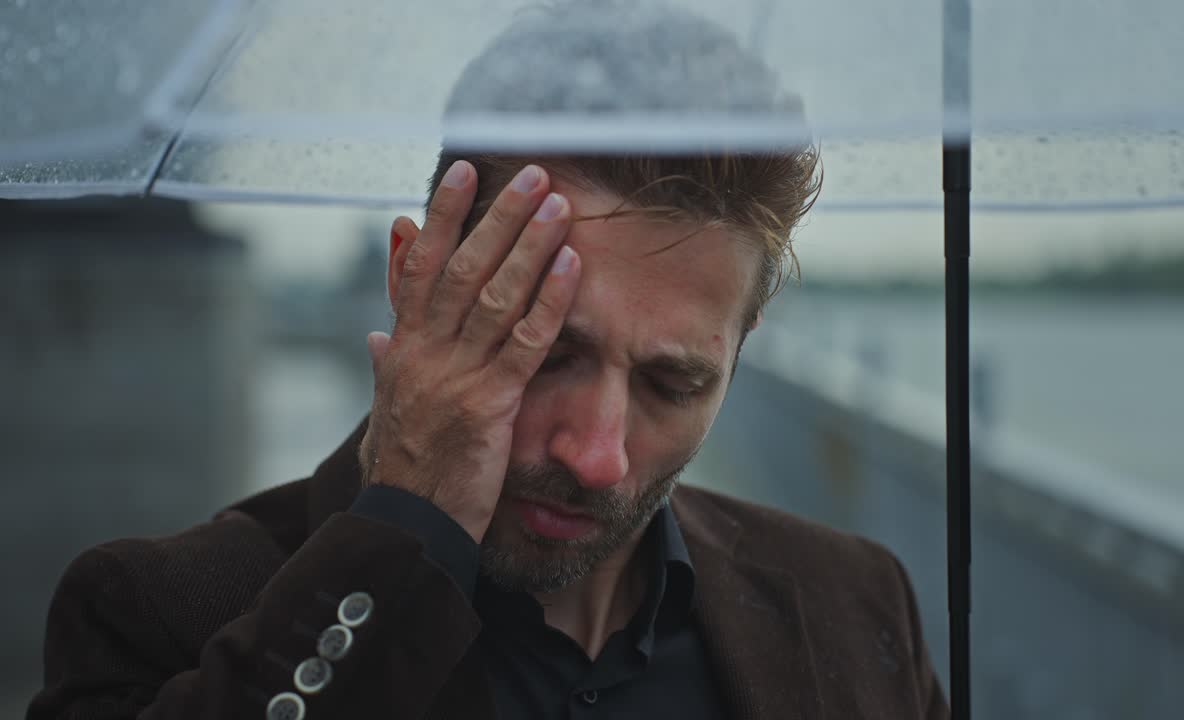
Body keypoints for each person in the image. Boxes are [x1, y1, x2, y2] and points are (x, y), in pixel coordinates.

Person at [30, 3, 947, 719]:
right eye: (543, 349)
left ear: (739, 355)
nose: (599, 455)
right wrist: (404, 541)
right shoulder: (161, 615)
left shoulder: (856, 606)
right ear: (412, 281)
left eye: (675, 383)